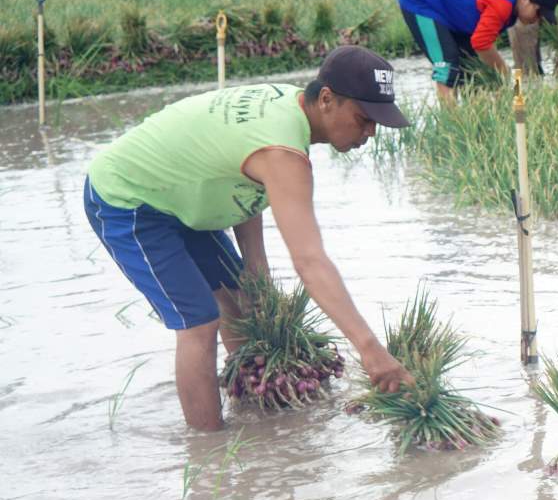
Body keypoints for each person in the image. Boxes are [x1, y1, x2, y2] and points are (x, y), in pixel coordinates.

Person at [82, 46, 415, 432]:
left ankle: (257, 418)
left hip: (183, 197)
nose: (370, 132)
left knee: (241, 299)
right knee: (199, 321)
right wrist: (371, 352)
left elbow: (246, 184)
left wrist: (258, 282)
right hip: (128, 199)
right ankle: (209, 450)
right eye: (364, 119)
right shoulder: (282, 150)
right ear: (327, 100)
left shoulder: (289, 107)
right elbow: (310, 262)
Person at [397, 0, 558, 100]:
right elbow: (481, 43)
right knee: (447, 63)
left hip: (450, 14)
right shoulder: (503, 4)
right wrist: (503, 71)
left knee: (471, 65)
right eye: (539, 12)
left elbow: (481, 44)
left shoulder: (510, 8)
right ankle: (452, 125)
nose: (538, 19)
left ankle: (474, 117)